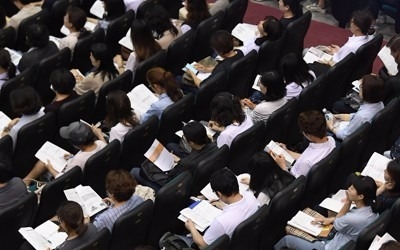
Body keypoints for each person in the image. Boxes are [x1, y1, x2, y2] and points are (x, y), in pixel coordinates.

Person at [274, 175, 379, 250]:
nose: (348, 189)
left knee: (286, 240)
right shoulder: (373, 212)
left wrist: (347, 202)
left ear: (361, 196)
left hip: (328, 246)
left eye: (352, 189)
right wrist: (330, 219)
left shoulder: (353, 218)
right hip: (340, 240)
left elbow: (339, 222)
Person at [131, 121, 218, 191]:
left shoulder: (187, 164)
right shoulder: (213, 146)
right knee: (170, 146)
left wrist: (179, 163)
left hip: (173, 186)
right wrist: (180, 160)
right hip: (199, 173)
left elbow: (170, 179)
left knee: (134, 171)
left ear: (191, 142)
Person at [184, 168, 259, 248]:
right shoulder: (251, 197)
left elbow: (203, 246)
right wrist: (225, 206)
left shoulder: (221, 222)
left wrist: (191, 228)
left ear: (219, 194)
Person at [23, 121, 107, 184]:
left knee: (42, 162)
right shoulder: (100, 143)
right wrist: (72, 157)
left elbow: (65, 179)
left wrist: (50, 169)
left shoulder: (78, 160)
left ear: (76, 145)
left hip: (70, 179)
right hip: (92, 175)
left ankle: (25, 182)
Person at [270, 110, 336, 178]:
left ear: (309, 135)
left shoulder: (306, 162)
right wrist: (287, 151)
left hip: (290, 177)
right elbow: (306, 158)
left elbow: (295, 183)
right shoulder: (331, 141)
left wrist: (282, 166)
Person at [309, 9, 373, 76]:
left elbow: (339, 63)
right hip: (348, 64)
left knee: (307, 51)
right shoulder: (370, 38)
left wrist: (332, 58)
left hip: (336, 68)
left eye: (351, 22)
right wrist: (339, 51)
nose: (350, 24)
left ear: (357, 27)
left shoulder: (351, 46)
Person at [327, 74, 385, 140]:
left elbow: (345, 136)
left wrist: (331, 127)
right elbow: (358, 117)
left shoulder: (361, 116)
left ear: (366, 93)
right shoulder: (380, 104)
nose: (359, 88)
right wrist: (341, 116)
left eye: (361, 87)